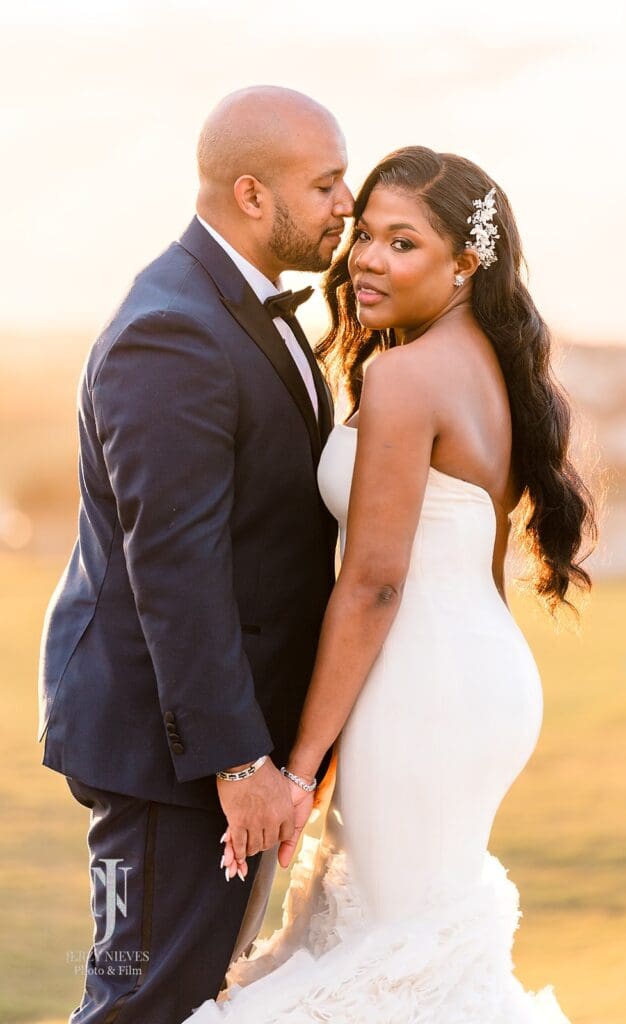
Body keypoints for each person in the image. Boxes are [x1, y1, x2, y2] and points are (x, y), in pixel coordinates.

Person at [188, 147, 597, 1022]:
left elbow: (372, 584)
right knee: (410, 947)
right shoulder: (484, 362)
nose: (367, 258)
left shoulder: (404, 376)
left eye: (401, 243)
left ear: (464, 264)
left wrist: (297, 773)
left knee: (399, 960)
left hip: (425, 693)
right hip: (468, 679)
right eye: (364, 234)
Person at [37, 85, 354, 1022]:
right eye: (326, 183)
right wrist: (236, 763)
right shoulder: (171, 331)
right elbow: (173, 567)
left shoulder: (238, 305)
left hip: (218, 746)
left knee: (194, 994)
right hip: (165, 758)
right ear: (252, 194)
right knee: (141, 1002)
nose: (347, 202)